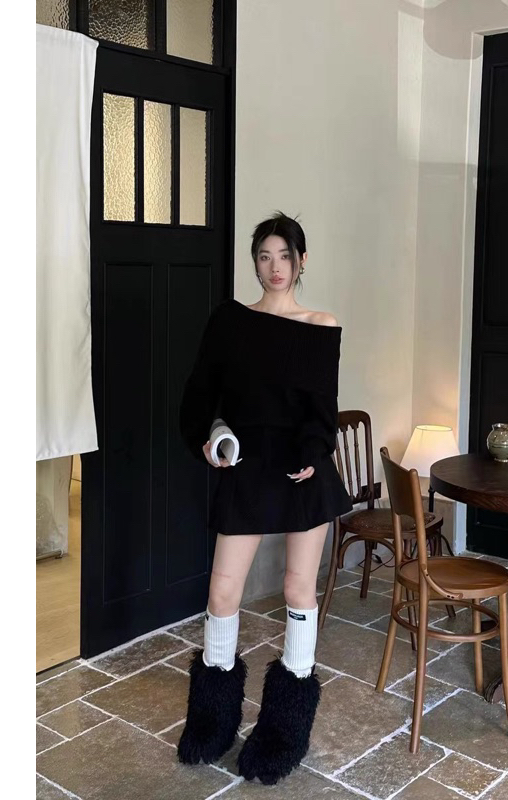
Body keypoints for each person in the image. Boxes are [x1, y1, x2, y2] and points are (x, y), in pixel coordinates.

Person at [174, 211, 353, 785]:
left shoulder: (321, 324)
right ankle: (212, 721)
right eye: (264, 257)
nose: (275, 267)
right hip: (248, 467)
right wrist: (207, 440)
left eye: (285, 256)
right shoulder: (230, 321)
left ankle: (284, 731)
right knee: (222, 591)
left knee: (298, 588)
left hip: (301, 472)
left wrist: (314, 452)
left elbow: (322, 411)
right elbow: (201, 395)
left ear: (302, 261)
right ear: (255, 263)